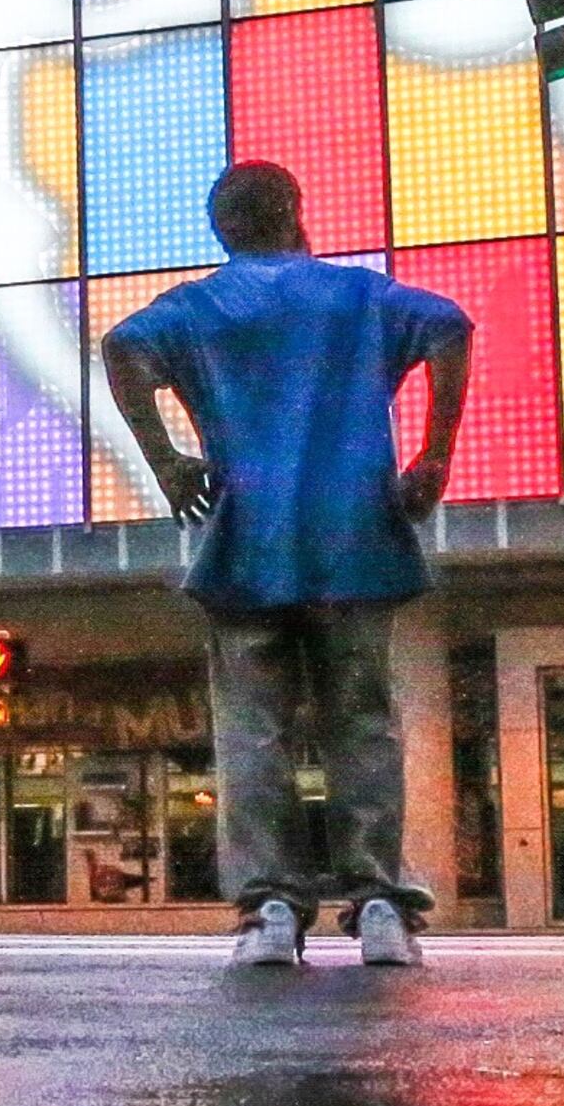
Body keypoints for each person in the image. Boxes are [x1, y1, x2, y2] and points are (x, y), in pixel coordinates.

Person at [102, 162, 475, 967]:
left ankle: (270, 906)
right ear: (295, 214)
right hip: (353, 534)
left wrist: (166, 461)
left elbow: (122, 348)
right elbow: (450, 326)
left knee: (253, 731)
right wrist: (433, 455)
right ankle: (378, 903)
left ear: (222, 231)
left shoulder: (200, 308)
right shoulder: (357, 297)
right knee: (362, 722)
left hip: (246, 541)